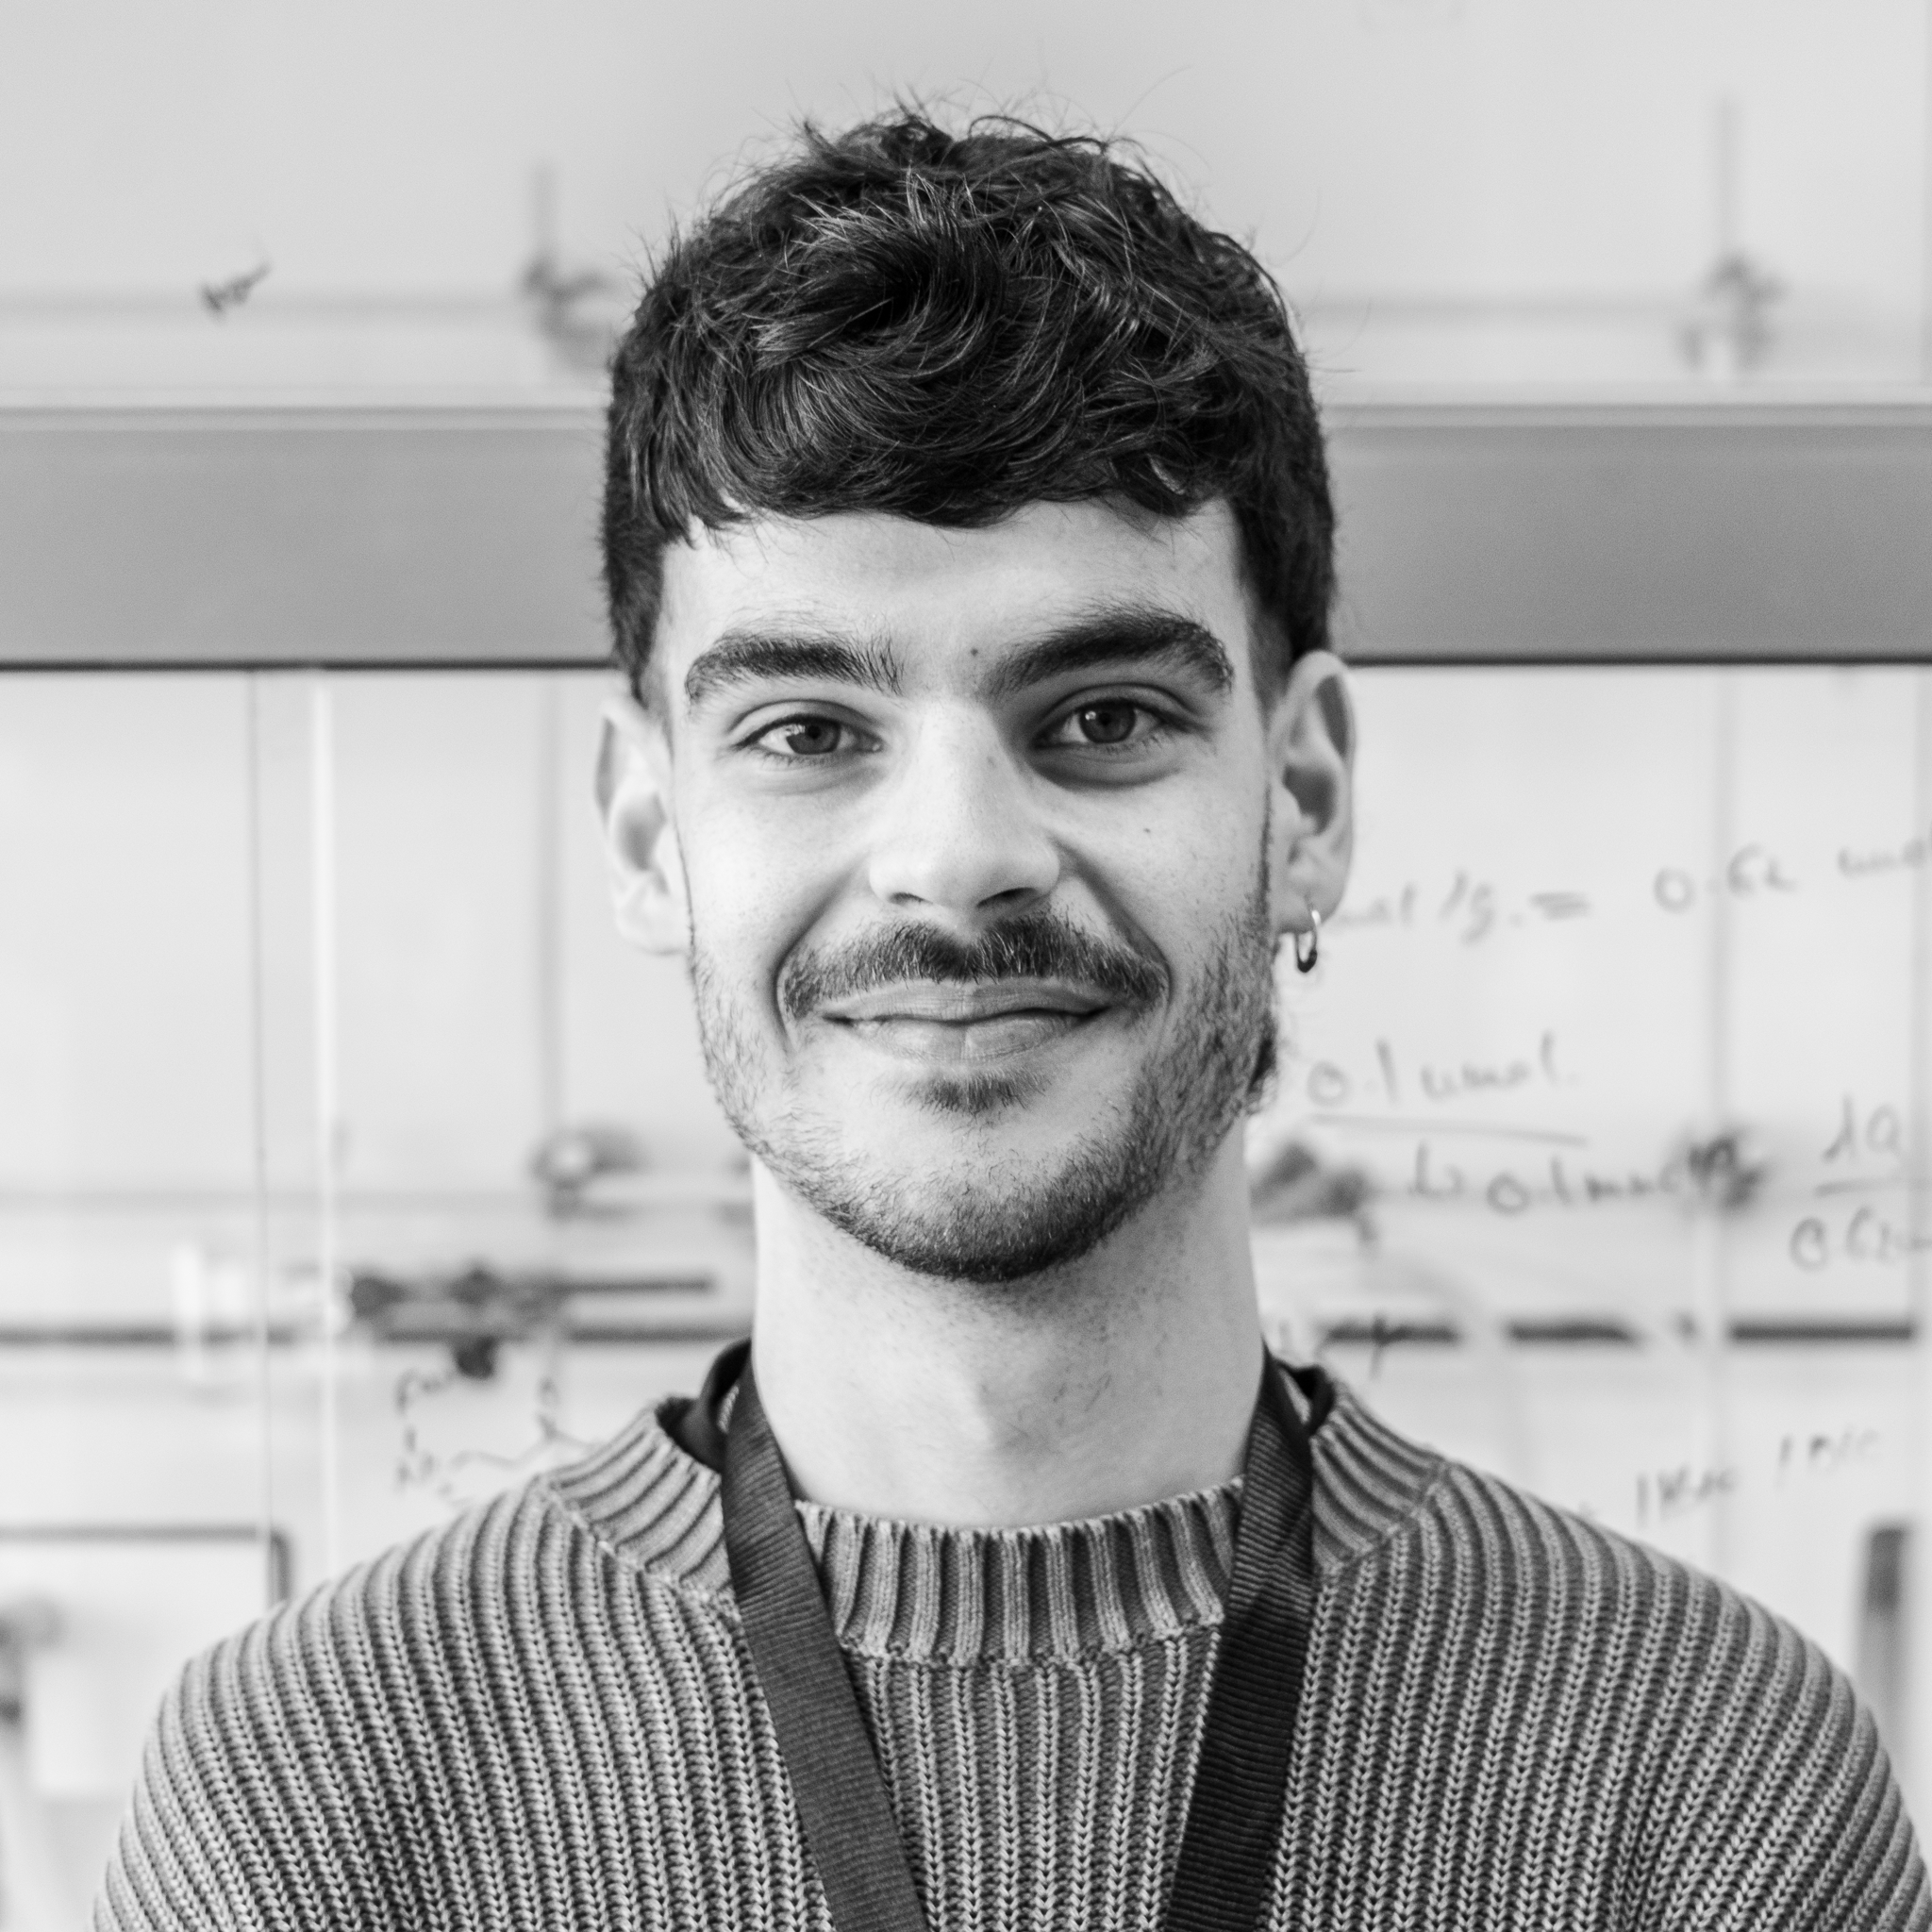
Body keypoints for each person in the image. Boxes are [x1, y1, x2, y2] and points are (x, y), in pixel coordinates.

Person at [100, 110, 1926, 1932]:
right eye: (809, 731)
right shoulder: (310, 1811)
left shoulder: (1707, 1793)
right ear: (651, 832)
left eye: (1104, 717)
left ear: (1303, 800)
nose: (959, 859)